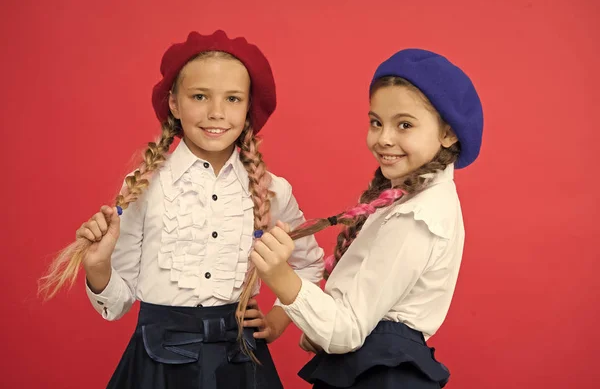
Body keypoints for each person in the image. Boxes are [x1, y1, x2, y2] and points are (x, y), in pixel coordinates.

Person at [39, 29, 324, 389]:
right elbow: (118, 302)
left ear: (249, 106)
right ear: (174, 103)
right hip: (157, 367)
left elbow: (310, 264)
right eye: (200, 96)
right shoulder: (144, 186)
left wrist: (279, 318)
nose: (216, 113)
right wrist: (98, 267)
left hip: (242, 366)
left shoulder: (272, 191)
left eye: (233, 99)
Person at [250, 48, 484, 388]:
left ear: (448, 133)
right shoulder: (408, 202)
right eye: (376, 122)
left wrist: (280, 276)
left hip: (381, 376)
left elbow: (346, 330)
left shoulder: (418, 217)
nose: (384, 138)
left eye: (404, 124)